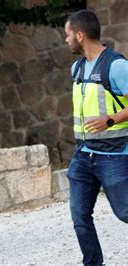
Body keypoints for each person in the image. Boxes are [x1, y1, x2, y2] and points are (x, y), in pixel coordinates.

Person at [65, 10, 128, 265]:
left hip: (113, 154)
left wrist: (110, 119)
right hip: (83, 154)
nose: (66, 40)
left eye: (67, 34)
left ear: (80, 35)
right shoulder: (76, 68)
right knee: (80, 215)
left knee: (125, 212)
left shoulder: (116, 66)